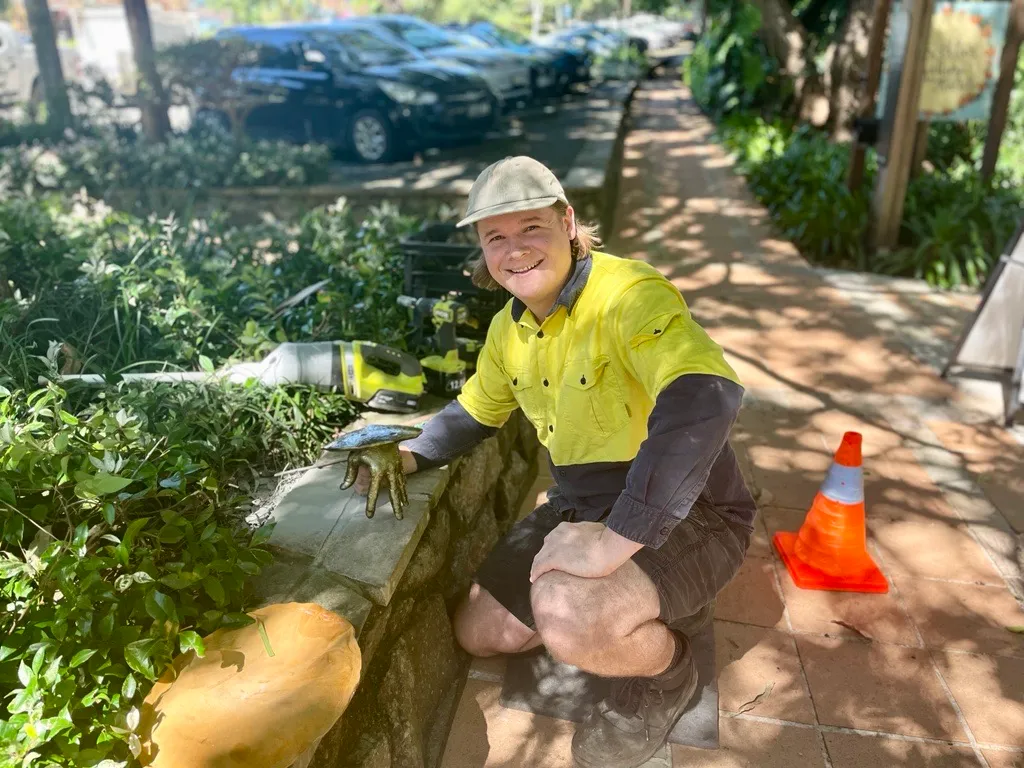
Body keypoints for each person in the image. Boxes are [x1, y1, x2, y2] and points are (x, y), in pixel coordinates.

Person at [355, 155, 756, 767]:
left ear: (568, 222)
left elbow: (705, 394)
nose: (515, 251)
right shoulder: (506, 329)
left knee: (569, 620)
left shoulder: (629, 293)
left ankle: (668, 673)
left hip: (691, 511)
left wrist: (614, 543)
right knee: (479, 634)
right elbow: (474, 413)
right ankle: (622, 611)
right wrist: (406, 454)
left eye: (531, 229)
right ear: (483, 251)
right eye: (496, 238)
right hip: (579, 503)